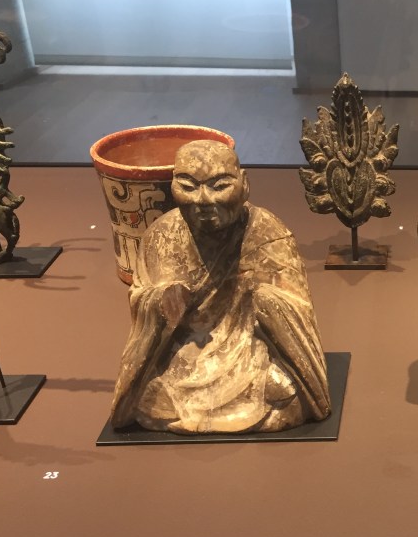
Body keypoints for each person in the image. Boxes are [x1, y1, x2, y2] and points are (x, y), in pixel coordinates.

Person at [110, 140, 331, 434]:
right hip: (186, 349)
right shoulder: (161, 235)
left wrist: (265, 300)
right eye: (188, 187)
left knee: (279, 386)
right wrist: (162, 300)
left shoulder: (266, 231)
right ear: (172, 187)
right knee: (149, 396)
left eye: (220, 186)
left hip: (248, 346)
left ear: (244, 184)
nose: (203, 200)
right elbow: (141, 299)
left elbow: (295, 306)